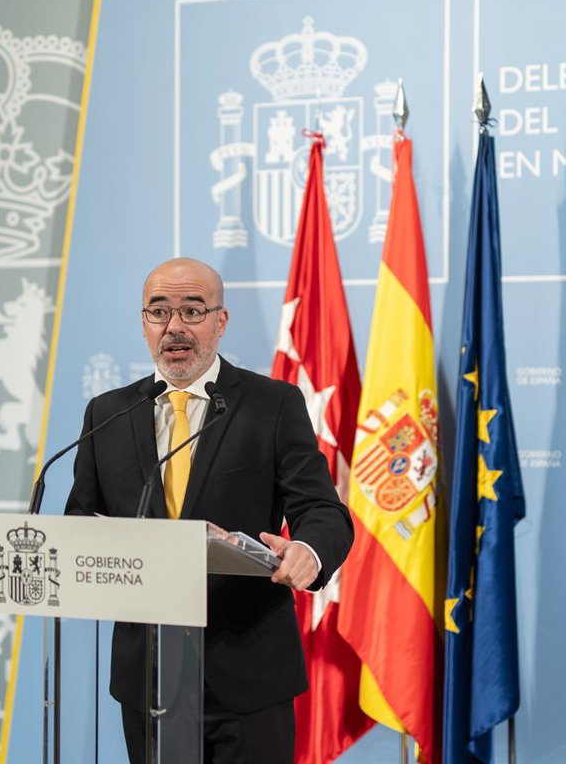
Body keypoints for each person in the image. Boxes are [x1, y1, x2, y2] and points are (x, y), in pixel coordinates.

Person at [65, 257, 354, 763]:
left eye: (192, 311)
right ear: (143, 323)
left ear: (220, 322)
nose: (174, 326)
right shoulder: (108, 413)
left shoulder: (272, 404)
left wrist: (308, 551)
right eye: (159, 311)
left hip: (248, 670)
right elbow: (80, 525)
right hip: (148, 672)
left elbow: (322, 509)